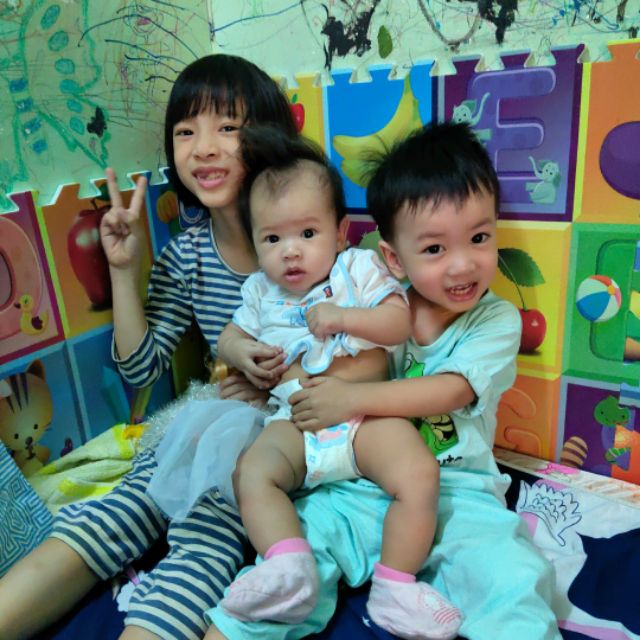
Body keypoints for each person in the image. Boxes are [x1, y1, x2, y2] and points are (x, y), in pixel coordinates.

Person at [206, 122, 561, 640]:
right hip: (355, 479)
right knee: (278, 583)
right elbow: (315, 361)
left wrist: (349, 398)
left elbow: (450, 390)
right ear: (393, 258)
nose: (463, 264)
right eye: (435, 249)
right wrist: (260, 381)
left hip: (460, 493)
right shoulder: (373, 301)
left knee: (512, 582)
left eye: (479, 238)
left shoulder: (496, 320)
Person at [0, 54, 298, 640]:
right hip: (201, 417)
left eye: (227, 127)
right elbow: (141, 368)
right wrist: (124, 271)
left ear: (268, 136)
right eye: (185, 132)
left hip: (272, 437)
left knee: (208, 535)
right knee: (113, 512)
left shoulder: (303, 242)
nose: (203, 148)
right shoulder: (188, 254)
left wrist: (265, 377)